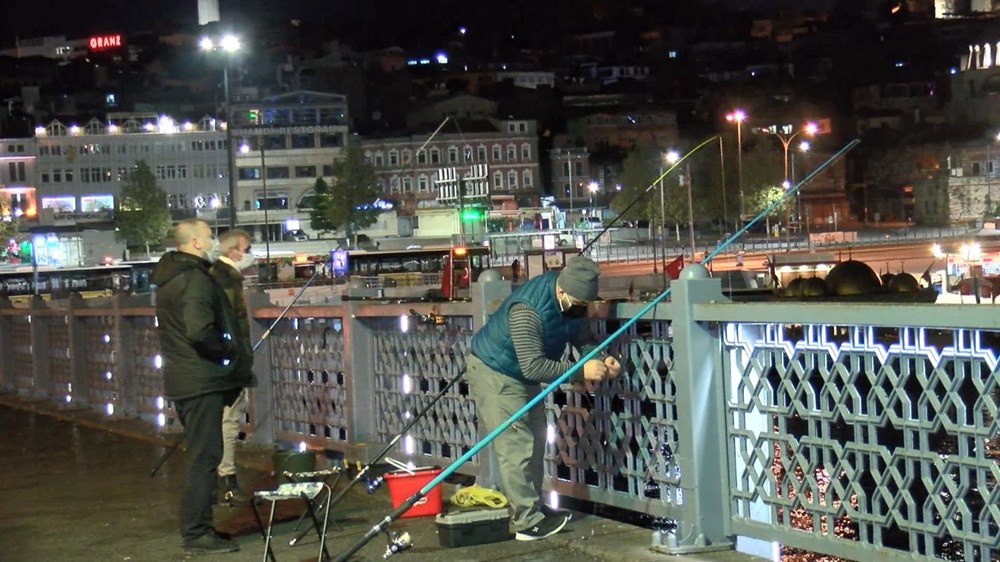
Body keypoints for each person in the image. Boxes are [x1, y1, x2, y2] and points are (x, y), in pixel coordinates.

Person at [467, 255, 621, 541]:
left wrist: (602, 357)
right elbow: (533, 366)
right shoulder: (528, 310)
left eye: (585, 306)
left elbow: (583, 338)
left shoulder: (574, 306)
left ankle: (534, 508)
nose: (580, 310)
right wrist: (581, 371)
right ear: (561, 291)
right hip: (496, 372)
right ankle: (525, 522)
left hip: (520, 374)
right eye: (576, 304)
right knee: (517, 446)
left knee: (537, 439)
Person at [151, 219, 246, 555]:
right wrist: (226, 352)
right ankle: (197, 532)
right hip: (200, 379)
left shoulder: (170, 278)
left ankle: (200, 528)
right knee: (205, 458)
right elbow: (198, 330)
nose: (212, 242)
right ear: (193, 243)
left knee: (202, 455)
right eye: (207, 237)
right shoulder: (193, 279)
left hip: (184, 377)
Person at [210, 229, 257, 506]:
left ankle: (219, 479)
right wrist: (236, 356)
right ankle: (226, 480)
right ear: (232, 252)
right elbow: (232, 323)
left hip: (217, 362)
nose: (249, 254)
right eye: (246, 248)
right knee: (229, 422)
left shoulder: (213, 275)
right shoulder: (227, 279)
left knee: (218, 422)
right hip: (229, 363)